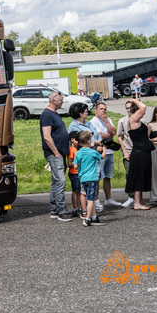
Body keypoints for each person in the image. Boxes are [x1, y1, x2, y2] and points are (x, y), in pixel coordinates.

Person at [39, 91, 72, 222]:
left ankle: (54, 209)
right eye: (61, 99)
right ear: (53, 100)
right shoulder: (47, 115)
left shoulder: (54, 114)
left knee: (55, 181)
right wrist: (56, 152)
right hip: (54, 153)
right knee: (60, 181)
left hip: (59, 153)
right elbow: (47, 136)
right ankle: (61, 211)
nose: (62, 101)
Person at [67, 102, 104, 212]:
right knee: (82, 186)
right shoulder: (73, 126)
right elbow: (78, 142)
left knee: (95, 180)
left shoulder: (88, 124)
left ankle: (93, 203)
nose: (87, 112)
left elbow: (97, 136)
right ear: (80, 113)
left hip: (93, 155)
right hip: (85, 158)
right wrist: (95, 143)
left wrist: (98, 144)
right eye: (85, 111)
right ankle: (83, 208)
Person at [89, 102, 122, 207]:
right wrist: (107, 135)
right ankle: (96, 199)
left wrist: (106, 121)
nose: (103, 111)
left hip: (109, 151)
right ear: (96, 110)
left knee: (107, 176)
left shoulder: (108, 120)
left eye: (105, 109)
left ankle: (108, 198)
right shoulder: (92, 122)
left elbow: (113, 132)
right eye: (101, 109)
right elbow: (100, 136)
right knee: (98, 177)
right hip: (99, 152)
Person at [74, 131, 108, 226]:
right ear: (89, 141)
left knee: (87, 195)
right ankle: (88, 218)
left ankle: (94, 216)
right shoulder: (93, 152)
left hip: (83, 178)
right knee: (91, 198)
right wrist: (104, 149)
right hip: (92, 178)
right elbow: (102, 157)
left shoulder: (78, 153)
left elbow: (75, 166)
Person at [125, 99, 153, 209]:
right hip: (139, 152)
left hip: (143, 152)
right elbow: (143, 107)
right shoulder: (133, 119)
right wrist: (133, 100)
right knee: (138, 177)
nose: (144, 112)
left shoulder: (137, 121)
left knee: (142, 176)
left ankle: (140, 201)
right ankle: (137, 204)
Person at [116, 100, 139, 208]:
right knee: (129, 174)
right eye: (127, 108)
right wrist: (124, 151)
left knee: (139, 175)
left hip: (139, 151)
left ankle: (139, 198)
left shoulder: (141, 120)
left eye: (130, 107)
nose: (129, 109)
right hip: (128, 151)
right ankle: (131, 197)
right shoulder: (122, 121)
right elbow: (119, 137)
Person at [67, 131, 82, 217]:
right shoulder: (71, 150)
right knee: (75, 191)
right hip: (74, 173)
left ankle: (79, 207)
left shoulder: (77, 149)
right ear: (72, 140)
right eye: (78, 141)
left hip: (79, 173)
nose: (79, 143)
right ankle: (75, 208)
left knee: (79, 191)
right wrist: (78, 163)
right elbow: (69, 163)